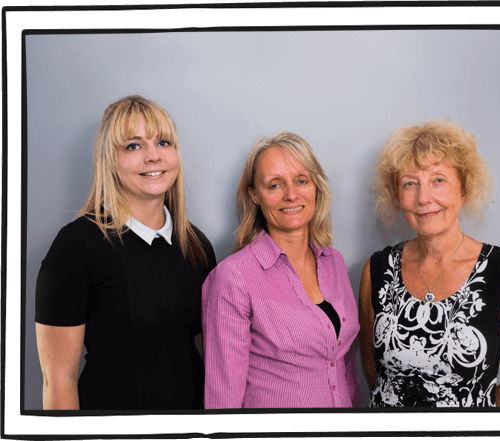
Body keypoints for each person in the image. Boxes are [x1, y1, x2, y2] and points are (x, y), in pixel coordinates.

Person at [35, 95, 216, 410]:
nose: (152, 156)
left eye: (163, 143)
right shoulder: (76, 246)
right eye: (133, 146)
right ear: (111, 160)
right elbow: (58, 381)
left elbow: (209, 359)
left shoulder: (196, 244)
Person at [359, 118, 500, 407]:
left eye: (438, 181)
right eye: (410, 184)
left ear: (464, 190)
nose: (424, 198)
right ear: (396, 196)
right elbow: (374, 370)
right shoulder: (377, 271)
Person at [202, 132, 361, 408]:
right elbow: (222, 399)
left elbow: (345, 365)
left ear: (315, 187)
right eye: (274, 185)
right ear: (254, 195)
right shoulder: (234, 277)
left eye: (301, 181)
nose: (291, 194)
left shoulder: (333, 261)